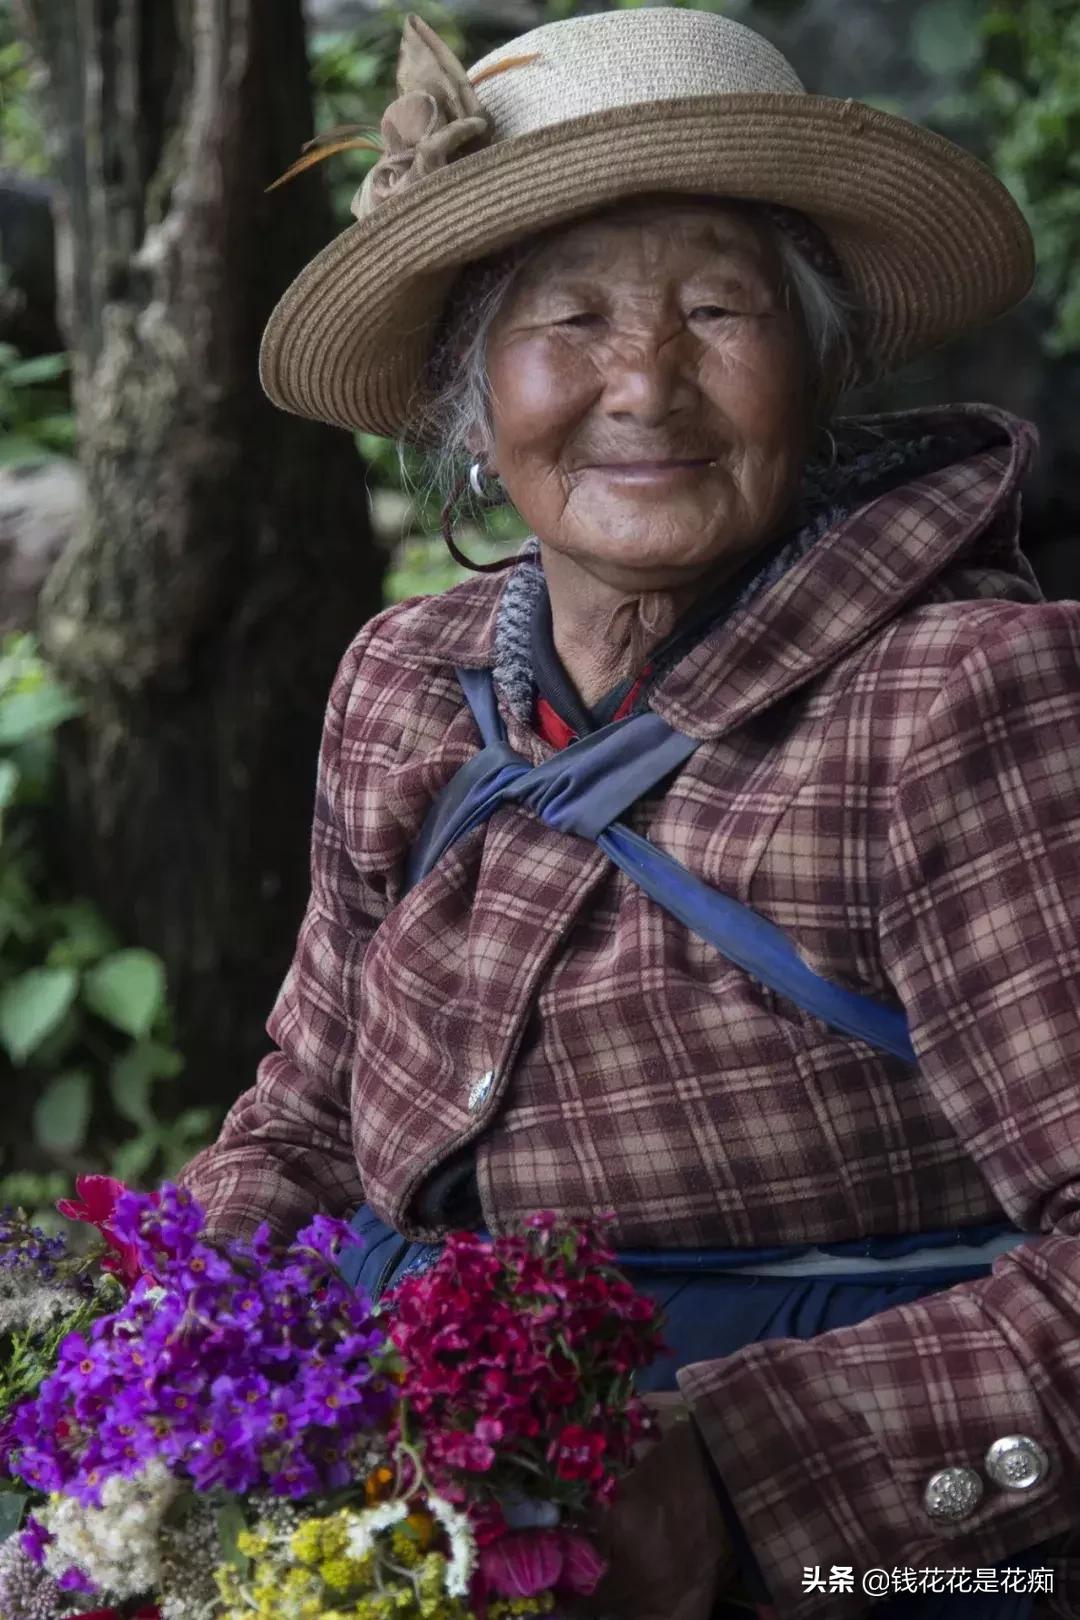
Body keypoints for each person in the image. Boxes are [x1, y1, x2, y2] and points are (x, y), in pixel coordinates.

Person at [177, 9, 1080, 1619]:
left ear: (816, 357)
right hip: (417, 1513)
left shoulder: (966, 700)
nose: (645, 383)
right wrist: (164, 1356)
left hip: (875, 1562)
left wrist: (729, 1480)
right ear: (472, 390)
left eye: (720, 309)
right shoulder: (409, 679)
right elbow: (310, 1122)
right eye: (571, 318)